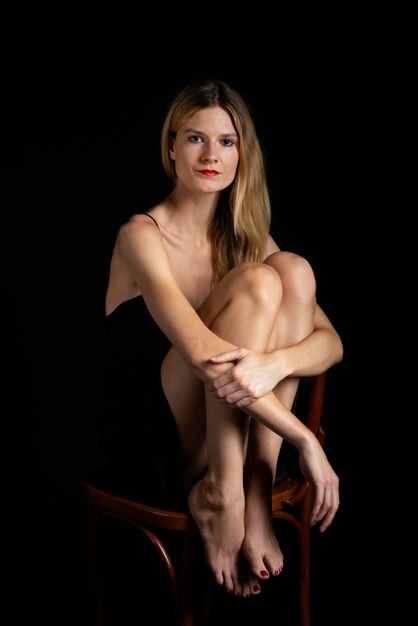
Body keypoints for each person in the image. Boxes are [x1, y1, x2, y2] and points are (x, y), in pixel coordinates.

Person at [99, 79, 343, 599]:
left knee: (291, 270)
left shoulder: (246, 240)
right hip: (154, 443)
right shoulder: (141, 235)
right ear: (171, 147)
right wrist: (303, 440)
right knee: (259, 280)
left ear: (241, 155)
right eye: (195, 138)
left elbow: (331, 343)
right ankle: (222, 495)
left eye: (226, 142)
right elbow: (203, 357)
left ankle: (251, 489)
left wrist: (274, 365)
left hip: (230, 428)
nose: (211, 154)